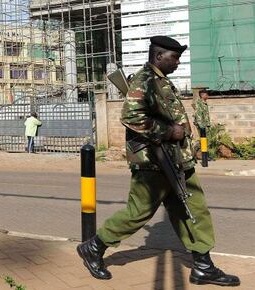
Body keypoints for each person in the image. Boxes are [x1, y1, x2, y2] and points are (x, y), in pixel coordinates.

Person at [77, 35, 240, 287]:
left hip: (177, 161)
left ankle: (203, 267)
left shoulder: (162, 82)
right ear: (158, 57)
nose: (177, 63)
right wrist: (168, 132)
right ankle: (94, 247)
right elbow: (131, 116)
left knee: (194, 210)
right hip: (155, 162)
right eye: (174, 58)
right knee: (138, 213)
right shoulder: (145, 81)